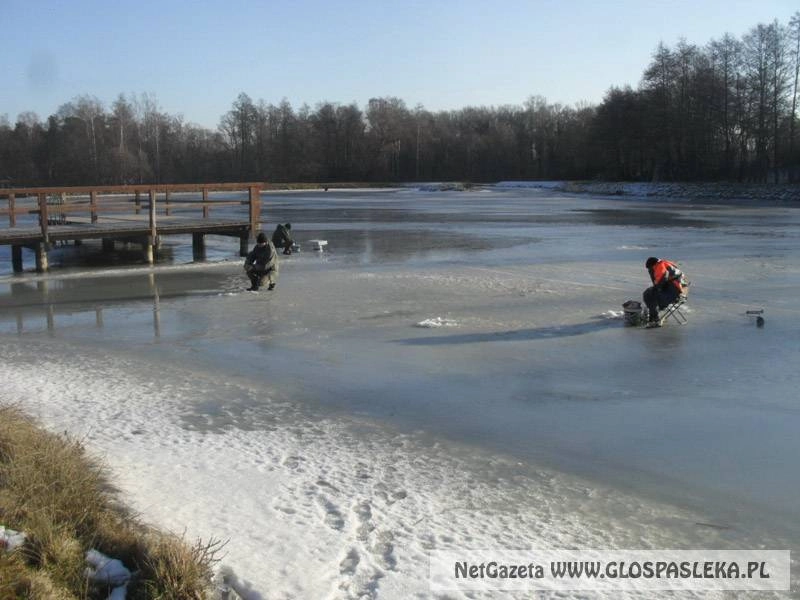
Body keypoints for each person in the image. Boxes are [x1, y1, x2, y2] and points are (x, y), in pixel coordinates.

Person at [642, 257, 685, 327]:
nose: (650, 270)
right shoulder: (665, 263)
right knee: (650, 292)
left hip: (673, 293)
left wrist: (654, 287)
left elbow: (660, 282)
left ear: (652, 265)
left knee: (648, 295)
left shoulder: (659, 267)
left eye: (650, 268)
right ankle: (654, 313)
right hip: (678, 289)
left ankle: (654, 318)